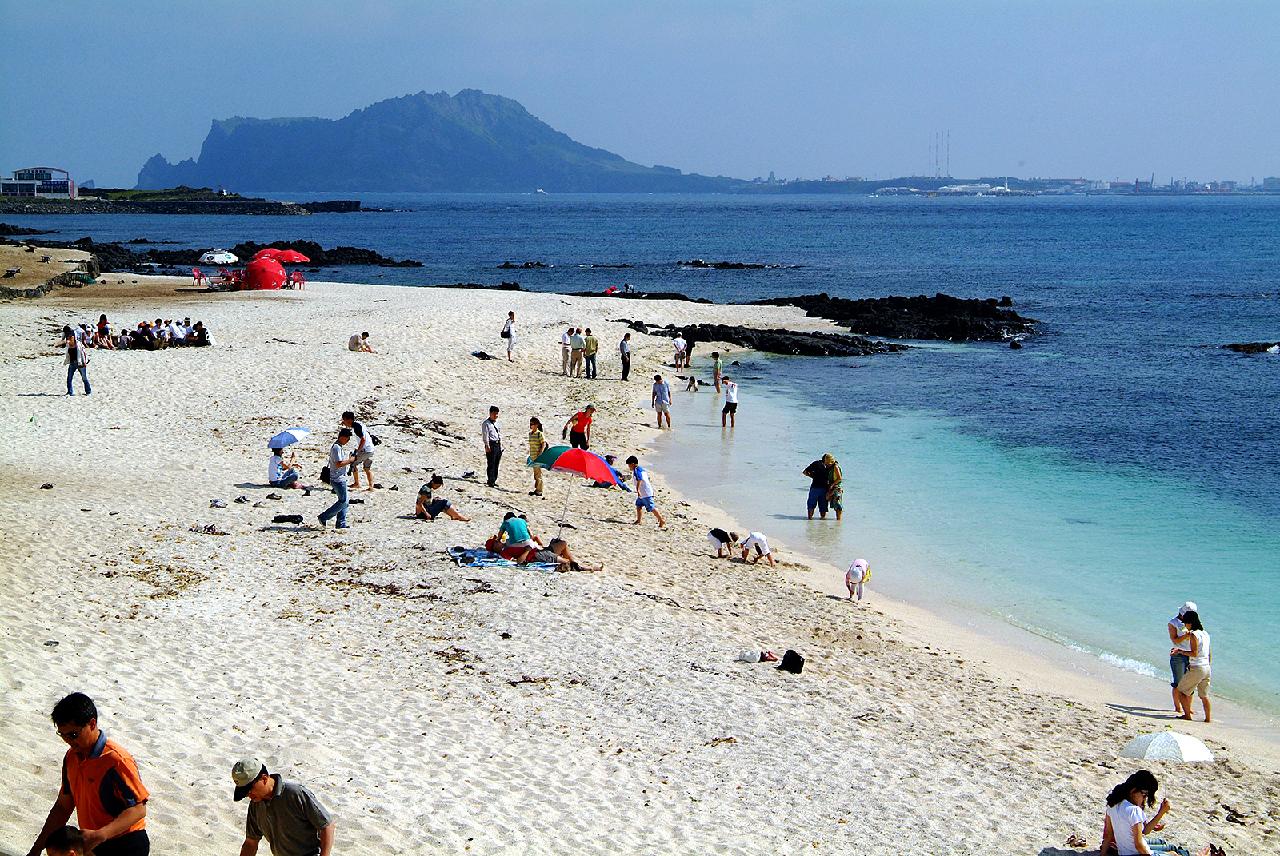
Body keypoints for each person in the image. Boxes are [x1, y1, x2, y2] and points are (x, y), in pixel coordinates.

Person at [26, 692, 150, 856]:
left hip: (126, 844)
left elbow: (138, 809)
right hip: (92, 843)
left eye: (74, 735)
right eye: (63, 735)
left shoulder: (117, 760)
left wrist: (101, 834)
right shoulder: (71, 757)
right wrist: (36, 848)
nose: (69, 740)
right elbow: (63, 807)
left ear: (92, 724)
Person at [232, 757, 336, 856]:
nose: (248, 795)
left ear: (264, 778)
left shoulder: (295, 794)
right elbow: (251, 843)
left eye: (249, 789)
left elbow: (327, 826)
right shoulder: (255, 805)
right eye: (244, 792)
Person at [1098, 770, 1178, 856]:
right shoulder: (1134, 810)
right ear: (1133, 791)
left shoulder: (1112, 805)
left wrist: (1161, 812)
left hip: (1124, 852)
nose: (1144, 799)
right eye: (1144, 795)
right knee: (1173, 852)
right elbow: (1139, 845)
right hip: (1137, 852)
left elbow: (1108, 835)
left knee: (1164, 844)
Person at [1173, 609, 1212, 723]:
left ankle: (1187, 716)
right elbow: (1209, 653)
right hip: (1207, 667)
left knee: (1181, 691)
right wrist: (1208, 664)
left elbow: (1194, 653)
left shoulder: (1194, 635)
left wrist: (1180, 652)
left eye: (1186, 623)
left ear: (1190, 623)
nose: (1185, 625)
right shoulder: (1205, 634)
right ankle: (1208, 719)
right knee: (1204, 696)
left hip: (1197, 667)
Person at [317, 429, 355, 529]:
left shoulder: (338, 447)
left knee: (344, 501)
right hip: (337, 479)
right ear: (342, 437)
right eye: (347, 438)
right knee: (343, 502)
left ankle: (341, 523)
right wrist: (350, 460)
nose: (348, 441)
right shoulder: (336, 448)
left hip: (339, 478)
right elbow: (339, 464)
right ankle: (324, 517)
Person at [1167, 601, 1196, 712]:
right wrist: (1185, 636)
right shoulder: (1173, 623)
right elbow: (1174, 639)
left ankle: (1188, 707)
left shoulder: (1193, 623)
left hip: (1191, 654)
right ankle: (1178, 707)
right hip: (1178, 655)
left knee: (1190, 684)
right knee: (1178, 683)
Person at [626, 455, 666, 528]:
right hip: (643, 492)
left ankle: (661, 520)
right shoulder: (641, 469)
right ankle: (639, 520)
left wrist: (638, 490)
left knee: (651, 507)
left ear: (633, 464)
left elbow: (639, 480)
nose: (629, 467)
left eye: (629, 465)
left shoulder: (636, 471)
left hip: (645, 493)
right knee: (638, 505)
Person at [341, 411, 376, 492]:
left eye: (344, 419)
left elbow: (363, 439)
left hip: (365, 450)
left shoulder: (356, 428)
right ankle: (371, 487)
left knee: (353, 463)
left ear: (349, 420)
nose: (343, 421)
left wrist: (358, 451)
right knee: (367, 468)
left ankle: (357, 484)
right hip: (371, 449)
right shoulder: (358, 423)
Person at [530, 537, 602, 572]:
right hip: (539, 553)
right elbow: (535, 541)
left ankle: (575, 565)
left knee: (563, 543)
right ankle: (581, 567)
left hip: (542, 550)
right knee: (566, 561)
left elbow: (537, 540)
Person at [803, 454, 837, 520]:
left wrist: (814, 477)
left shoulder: (817, 463)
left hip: (815, 487)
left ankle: (810, 520)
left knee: (811, 504)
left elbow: (805, 472)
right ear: (826, 460)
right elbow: (805, 472)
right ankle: (822, 522)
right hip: (824, 488)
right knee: (823, 507)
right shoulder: (829, 465)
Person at [63, 325, 91, 396]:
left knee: (84, 378)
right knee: (69, 378)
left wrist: (84, 362)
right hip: (72, 363)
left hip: (80, 363)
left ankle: (88, 391)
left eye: (70, 337)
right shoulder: (68, 345)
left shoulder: (79, 346)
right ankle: (70, 392)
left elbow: (83, 354)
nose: (69, 338)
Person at [527, 417, 549, 496]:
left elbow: (543, 443)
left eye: (532, 424)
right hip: (532, 456)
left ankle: (539, 490)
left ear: (536, 425)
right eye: (530, 424)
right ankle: (537, 489)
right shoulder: (530, 434)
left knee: (538, 474)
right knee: (536, 474)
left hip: (537, 456)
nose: (531, 425)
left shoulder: (539, 433)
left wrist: (540, 453)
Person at [481, 406, 502, 487]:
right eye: (494, 414)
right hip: (491, 444)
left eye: (497, 414)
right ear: (490, 413)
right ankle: (490, 480)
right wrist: (487, 445)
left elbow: (499, 434)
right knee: (491, 463)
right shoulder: (486, 423)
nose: (496, 415)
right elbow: (485, 435)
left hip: (497, 444)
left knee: (496, 463)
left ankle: (494, 479)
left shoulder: (497, 423)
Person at [827, 456, 844, 521]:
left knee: (837, 503)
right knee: (834, 503)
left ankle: (839, 520)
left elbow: (839, 478)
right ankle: (838, 521)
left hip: (837, 487)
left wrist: (832, 485)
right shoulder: (831, 468)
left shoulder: (835, 467)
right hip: (833, 487)